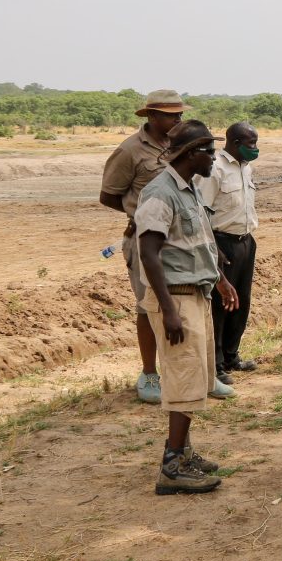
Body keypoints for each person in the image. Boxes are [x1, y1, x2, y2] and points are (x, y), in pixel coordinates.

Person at [134, 120, 240, 495]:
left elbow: (199, 243)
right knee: (182, 380)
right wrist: (168, 310)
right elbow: (148, 252)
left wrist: (221, 281)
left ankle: (183, 452)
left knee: (195, 378)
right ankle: (172, 467)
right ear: (191, 153)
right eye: (209, 151)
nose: (215, 158)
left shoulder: (190, 188)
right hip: (176, 298)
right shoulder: (160, 193)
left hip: (195, 293)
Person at [99, 89, 185, 403]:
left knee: (183, 301)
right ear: (150, 115)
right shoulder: (130, 150)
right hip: (145, 239)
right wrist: (143, 215)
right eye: (170, 114)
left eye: (179, 114)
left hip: (180, 237)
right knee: (148, 305)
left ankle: (184, 369)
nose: (177, 119)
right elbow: (108, 195)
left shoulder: (180, 144)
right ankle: (149, 374)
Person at [197, 122, 260, 387]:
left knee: (241, 301)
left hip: (245, 241)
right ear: (234, 143)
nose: (255, 149)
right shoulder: (215, 170)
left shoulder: (246, 168)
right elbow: (201, 213)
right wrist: (215, 249)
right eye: (251, 144)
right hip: (223, 243)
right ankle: (217, 363)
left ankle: (233, 355)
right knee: (221, 304)